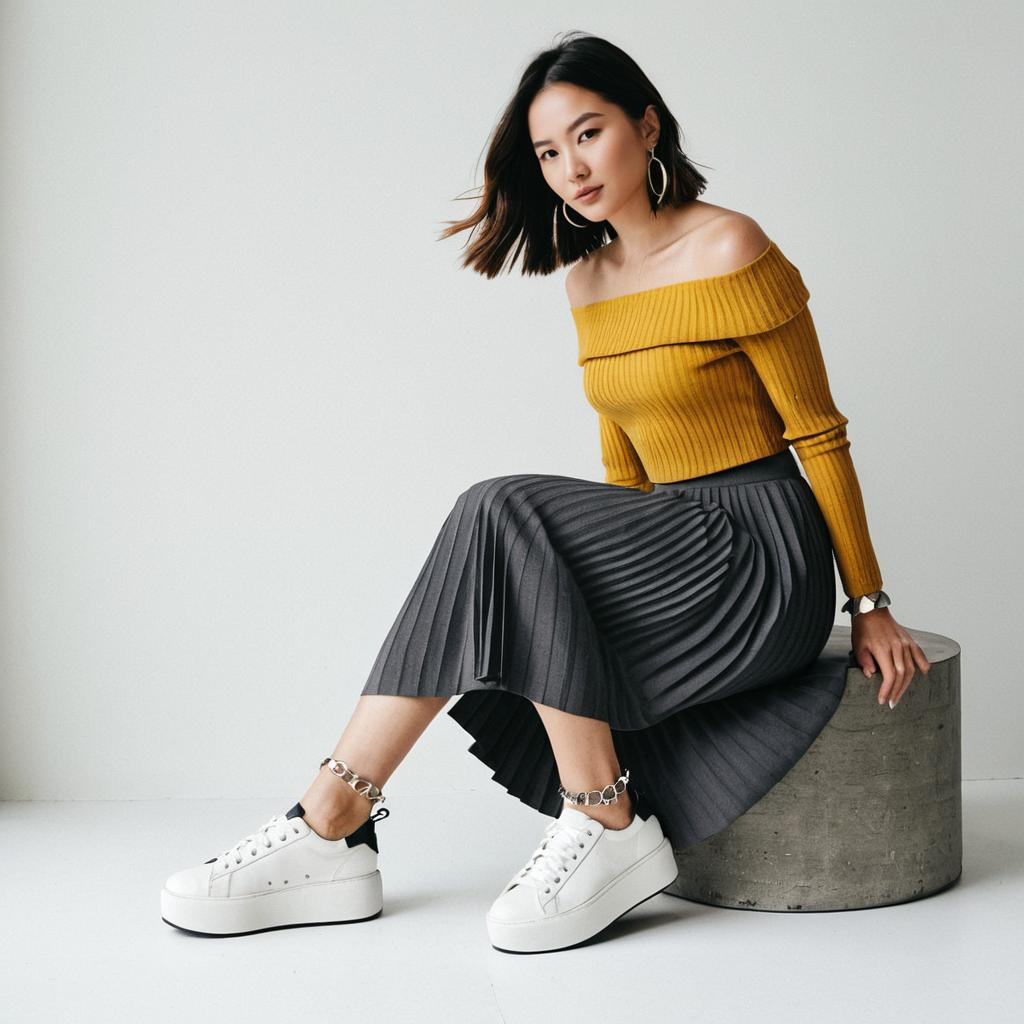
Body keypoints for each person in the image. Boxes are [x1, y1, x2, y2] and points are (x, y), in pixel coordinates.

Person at [160, 31, 930, 953]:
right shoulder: (586, 282)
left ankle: (529, 820)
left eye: (589, 133)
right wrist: (603, 570)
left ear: (648, 127)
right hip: (670, 535)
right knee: (517, 535)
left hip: (759, 554)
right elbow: (625, 472)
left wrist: (870, 601)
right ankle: (350, 821)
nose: (571, 167)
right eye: (549, 152)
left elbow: (819, 433)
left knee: (501, 503)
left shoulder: (731, 243)